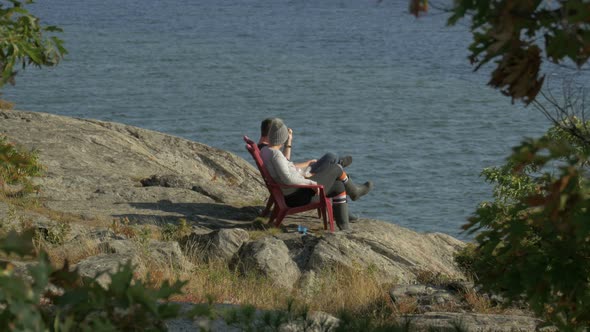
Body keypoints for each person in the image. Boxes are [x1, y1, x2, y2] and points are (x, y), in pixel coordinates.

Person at [260, 119, 372, 231]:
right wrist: (311, 183)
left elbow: (286, 173)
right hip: (297, 197)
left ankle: (344, 225)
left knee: (338, 186)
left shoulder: (265, 151)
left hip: (292, 192)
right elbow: (288, 179)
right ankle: (354, 192)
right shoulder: (276, 155)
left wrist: (304, 173)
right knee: (336, 168)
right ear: (282, 138)